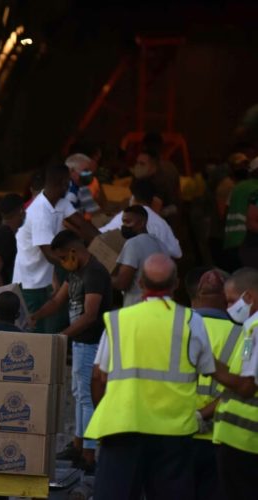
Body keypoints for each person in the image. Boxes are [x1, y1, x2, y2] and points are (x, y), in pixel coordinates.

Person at [86, 254, 215, 499]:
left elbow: (98, 377)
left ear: (140, 283)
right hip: (173, 432)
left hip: (122, 426)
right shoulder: (192, 320)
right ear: (176, 284)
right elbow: (206, 370)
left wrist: (104, 412)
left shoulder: (119, 320)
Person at [29, 230, 112, 473]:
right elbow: (57, 301)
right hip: (79, 343)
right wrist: (35, 316)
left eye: (63, 257)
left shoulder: (94, 273)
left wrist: (62, 335)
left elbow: (90, 316)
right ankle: (77, 445)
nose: (62, 263)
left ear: (74, 252)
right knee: (78, 394)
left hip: (91, 342)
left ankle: (88, 454)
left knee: (86, 397)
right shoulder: (75, 272)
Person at [13, 163, 98, 332]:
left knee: (50, 326)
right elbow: (50, 254)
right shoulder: (39, 212)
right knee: (36, 331)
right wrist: (82, 265)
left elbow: (82, 224)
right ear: (64, 184)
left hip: (47, 277)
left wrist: (104, 243)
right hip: (31, 282)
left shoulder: (60, 203)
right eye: (68, 182)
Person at [185, 268, 240, 500]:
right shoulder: (245, 334)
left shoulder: (175, 327)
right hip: (221, 436)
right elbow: (243, 386)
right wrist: (204, 414)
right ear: (227, 298)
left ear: (195, 294)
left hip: (176, 432)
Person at [210, 267, 258, 500]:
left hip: (245, 442)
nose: (229, 308)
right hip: (236, 438)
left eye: (231, 301)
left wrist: (210, 367)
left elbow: (247, 386)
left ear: (249, 296)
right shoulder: (249, 330)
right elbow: (242, 373)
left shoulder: (256, 330)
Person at [99, 179, 182, 258]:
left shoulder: (127, 215)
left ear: (133, 198)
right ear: (152, 200)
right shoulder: (162, 223)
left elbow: (100, 233)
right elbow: (177, 253)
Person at [111, 205, 167, 306]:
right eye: (123, 222)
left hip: (138, 307)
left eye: (128, 222)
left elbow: (122, 283)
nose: (124, 226)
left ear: (141, 223)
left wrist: (103, 278)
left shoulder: (133, 243)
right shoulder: (161, 245)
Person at [224, 157, 258, 270]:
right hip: (249, 244)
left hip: (231, 242)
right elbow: (252, 222)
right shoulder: (256, 189)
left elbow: (225, 212)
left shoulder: (238, 187)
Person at [65, 153, 100, 218]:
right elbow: (70, 220)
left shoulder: (82, 187)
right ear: (71, 171)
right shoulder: (70, 193)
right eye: (85, 170)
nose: (89, 173)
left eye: (90, 170)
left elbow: (92, 210)